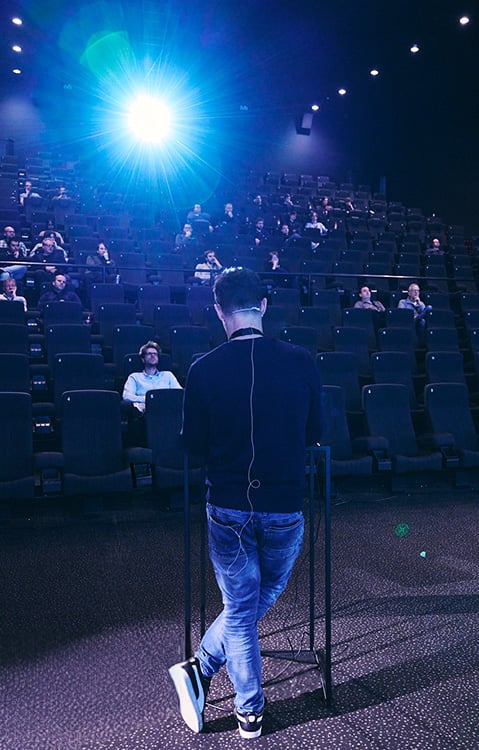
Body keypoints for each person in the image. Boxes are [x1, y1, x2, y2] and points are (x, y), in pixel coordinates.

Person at [170, 267, 322, 739]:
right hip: (283, 505)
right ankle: (248, 708)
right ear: (264, 305)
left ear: (219, 311)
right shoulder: (302, 361)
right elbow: (317, 434)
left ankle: (201, 668)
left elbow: (192, 446)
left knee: (243, 606)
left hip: (229, 505)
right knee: (253, 602)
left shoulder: (203, 368)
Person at [122, 341, 181, 413]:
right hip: (145, 411)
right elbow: (127, 396)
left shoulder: (168, 375)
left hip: (167, 410)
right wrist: (148, 399)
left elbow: (179, 393)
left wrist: (155, 399)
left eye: (155, 354)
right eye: (149, 354)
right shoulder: (134, 377)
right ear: (143, 359)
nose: (153, 355)